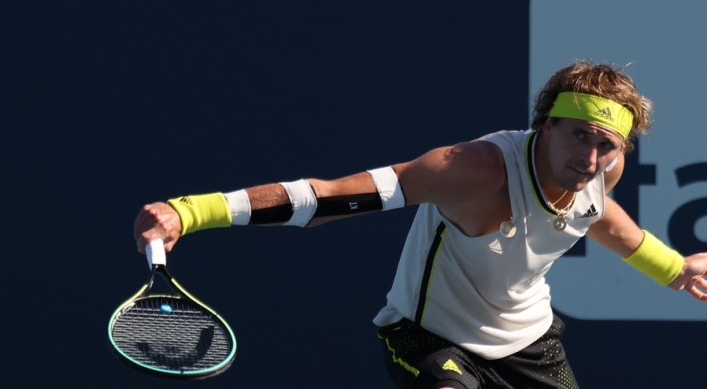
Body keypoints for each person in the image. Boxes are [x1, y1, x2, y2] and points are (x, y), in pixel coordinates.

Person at [133, 61, 707, 389]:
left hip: (531, 344)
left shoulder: (603, 169)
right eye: (578, 133)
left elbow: (604, 220)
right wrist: (192, 210)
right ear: (546, 126)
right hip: (427, 337)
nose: (590, 156)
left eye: (605, 144)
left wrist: (675, 269)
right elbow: (327, 198)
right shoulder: (470, 171)